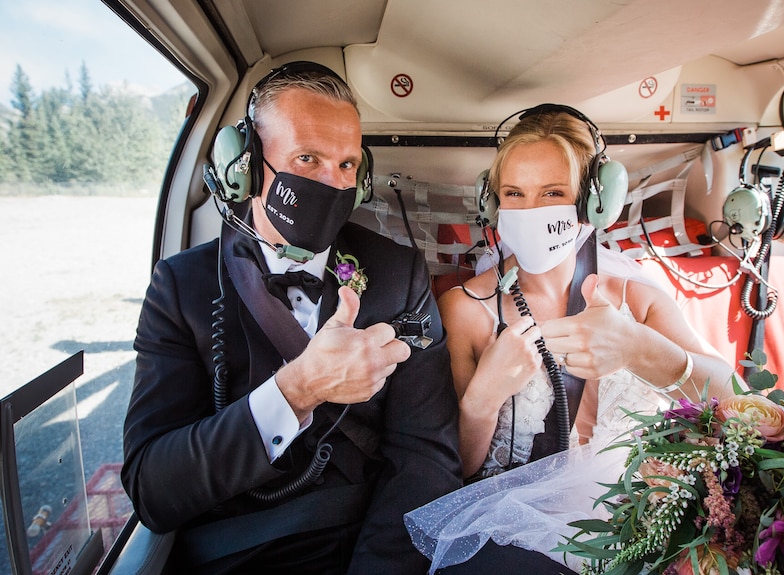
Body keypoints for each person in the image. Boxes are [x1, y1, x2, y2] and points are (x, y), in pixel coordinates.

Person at [122, 61, 462, 575]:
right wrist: (296, 391)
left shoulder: (398, 274)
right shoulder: (181, 287)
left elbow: (426, 456)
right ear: (248, 166)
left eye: (347, 166)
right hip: (237, 551)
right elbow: (152, 489)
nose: (333, 183)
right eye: (308, 159)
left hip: (368, 539)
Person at [404, 105, 737, 573]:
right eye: (514, 193)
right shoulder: (467, 311)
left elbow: (732, 395)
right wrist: (482, 399)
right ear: (493, 203)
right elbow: (451, 470)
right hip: (519, 532)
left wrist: (638, 348)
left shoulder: (637, 302)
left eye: (554, 193)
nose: (531, 211)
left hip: (652, 523)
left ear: (592, 203)